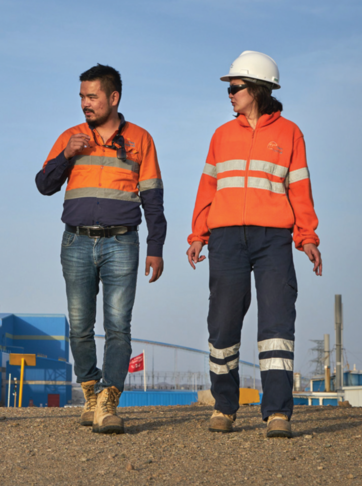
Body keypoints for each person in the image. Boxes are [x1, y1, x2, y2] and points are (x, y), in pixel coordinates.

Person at [186, 51, 322, 438]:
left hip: (272, 239)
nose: (230, 93)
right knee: (223, 322)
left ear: (258, 89)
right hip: (226, 238)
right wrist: (198, 235)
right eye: (230, 88)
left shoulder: (290, 133)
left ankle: (277, 412)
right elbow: (207, 188)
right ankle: (224, 408)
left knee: (277, 322)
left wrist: (307, 237)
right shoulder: (221, 135)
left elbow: (300, 190)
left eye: (236, 87)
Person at [36, 64, 166, 434]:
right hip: (76, 240)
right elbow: (44, 185)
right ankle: (90, 391)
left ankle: (109, 399)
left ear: (113, 97)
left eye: (91, 97)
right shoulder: (71, 136)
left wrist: (155, 246)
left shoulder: (141, 139)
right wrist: (66, 155)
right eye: (81, 97)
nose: (85, 104)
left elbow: (154, 199)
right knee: (79, 326)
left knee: (117, 326)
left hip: (123, 242)